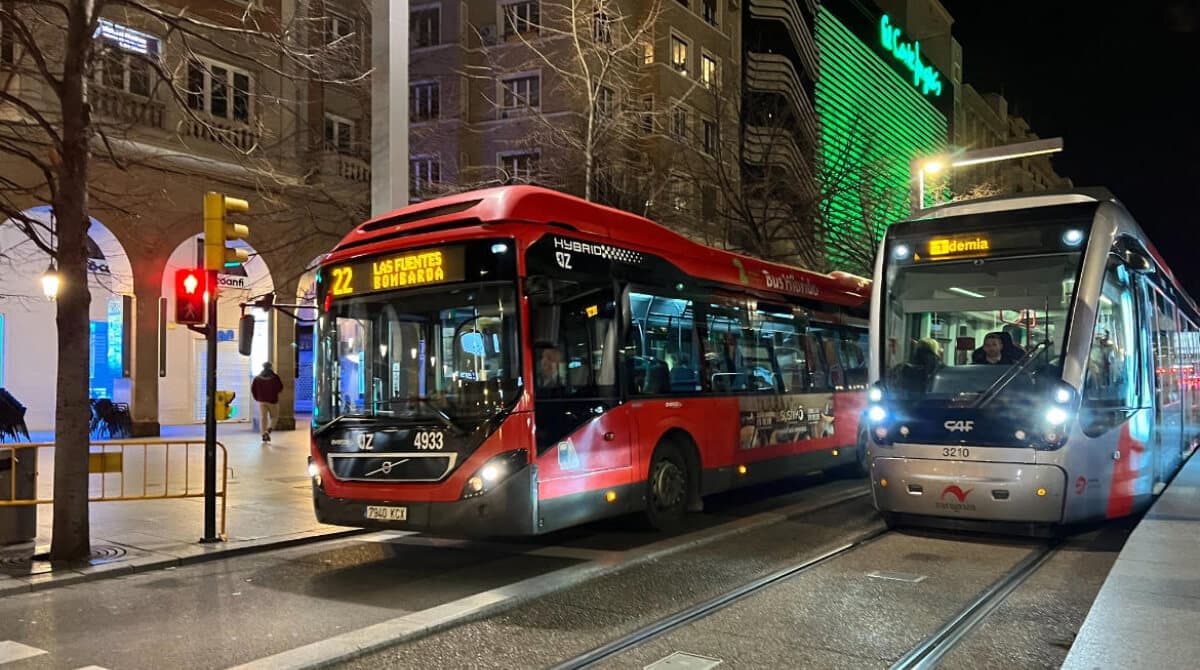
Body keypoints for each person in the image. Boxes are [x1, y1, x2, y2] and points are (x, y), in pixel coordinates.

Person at [251, 362, 284, 442]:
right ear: (271, 367)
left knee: (263, 418)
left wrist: (257, 397)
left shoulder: (257, 378)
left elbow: (253, 389)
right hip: (273, 401)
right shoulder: (275, 377)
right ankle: (268, 430)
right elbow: (280, 387)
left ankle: (263, 434)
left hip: (262, 401)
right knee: (274, 417)